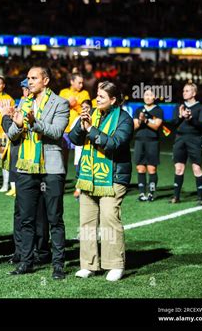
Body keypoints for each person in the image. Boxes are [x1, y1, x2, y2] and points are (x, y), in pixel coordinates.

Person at [6, 66, 69, 280]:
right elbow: (13, 136)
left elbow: (56, 132)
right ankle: (26, 261)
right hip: (25, 166)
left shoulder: (60, 103)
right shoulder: (24, 102)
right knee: (26, 218)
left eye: (34, 78)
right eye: (28, 78)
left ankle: (58, 264)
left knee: (54, 218)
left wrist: (33, 122)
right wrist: (16, 124)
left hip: (50, 167)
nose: (29, 81)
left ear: (46, 80)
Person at [69, 81, 133, 282]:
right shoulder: (91, 115)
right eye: (97, 95)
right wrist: (82, 126)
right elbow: (73, 139)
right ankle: (89, 264)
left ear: (113, 100)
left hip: (113, 177)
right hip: (88, 177)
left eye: (102, 97)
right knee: (86, 223)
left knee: (109, 219)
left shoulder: (125, 120)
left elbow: (114, 144)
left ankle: (115, 264)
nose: (97, 99)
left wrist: (91, 130)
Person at [170, 82, 202, 205]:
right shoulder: (179, 106)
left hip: (194, 139)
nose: (184, 92)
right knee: (179, 168)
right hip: (180, 139)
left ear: (194, 93)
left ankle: (200, 198)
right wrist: (181, 116)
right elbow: (174, 123)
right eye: (184, 90)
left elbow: (201, 125)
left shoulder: (201, 107)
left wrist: (190, 119)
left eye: (187, 91)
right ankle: (176, 197)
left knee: (196, 168)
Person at [133, 89, 164, 202]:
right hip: (139, 141)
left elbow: (156, 126)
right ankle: (141, 193)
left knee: (152, 169)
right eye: (146, 94)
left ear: (154, 97)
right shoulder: (138, 110)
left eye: (150, 95)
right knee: (140, 168)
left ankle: (151, 193)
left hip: (152, 142)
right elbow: (134, 126)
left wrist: (145, 120)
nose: (147, 97)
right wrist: (141, 121)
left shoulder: (158, 110)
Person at [59, 73, 92, 174]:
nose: (81, 85)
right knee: (63, 159)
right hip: (64, 130)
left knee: (80, 158)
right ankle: (62, 182)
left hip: (78, 131)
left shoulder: (85, 94)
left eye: (82, 83)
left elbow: (86, 111)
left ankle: (79, 184)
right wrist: (67, 104)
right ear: (71, 82)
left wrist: (75, 105)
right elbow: (58, 109)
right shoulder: (63, 92)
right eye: (79, 82)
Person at [72, 99, 93, 200]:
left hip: (89, 150)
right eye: (83, 107)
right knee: (78, 171)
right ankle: (79, 189)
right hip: (79, 150)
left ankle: (83, 190)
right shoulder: (77, 119)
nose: (85, 109)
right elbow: (73, 134)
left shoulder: (93, 118)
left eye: (87, 108)